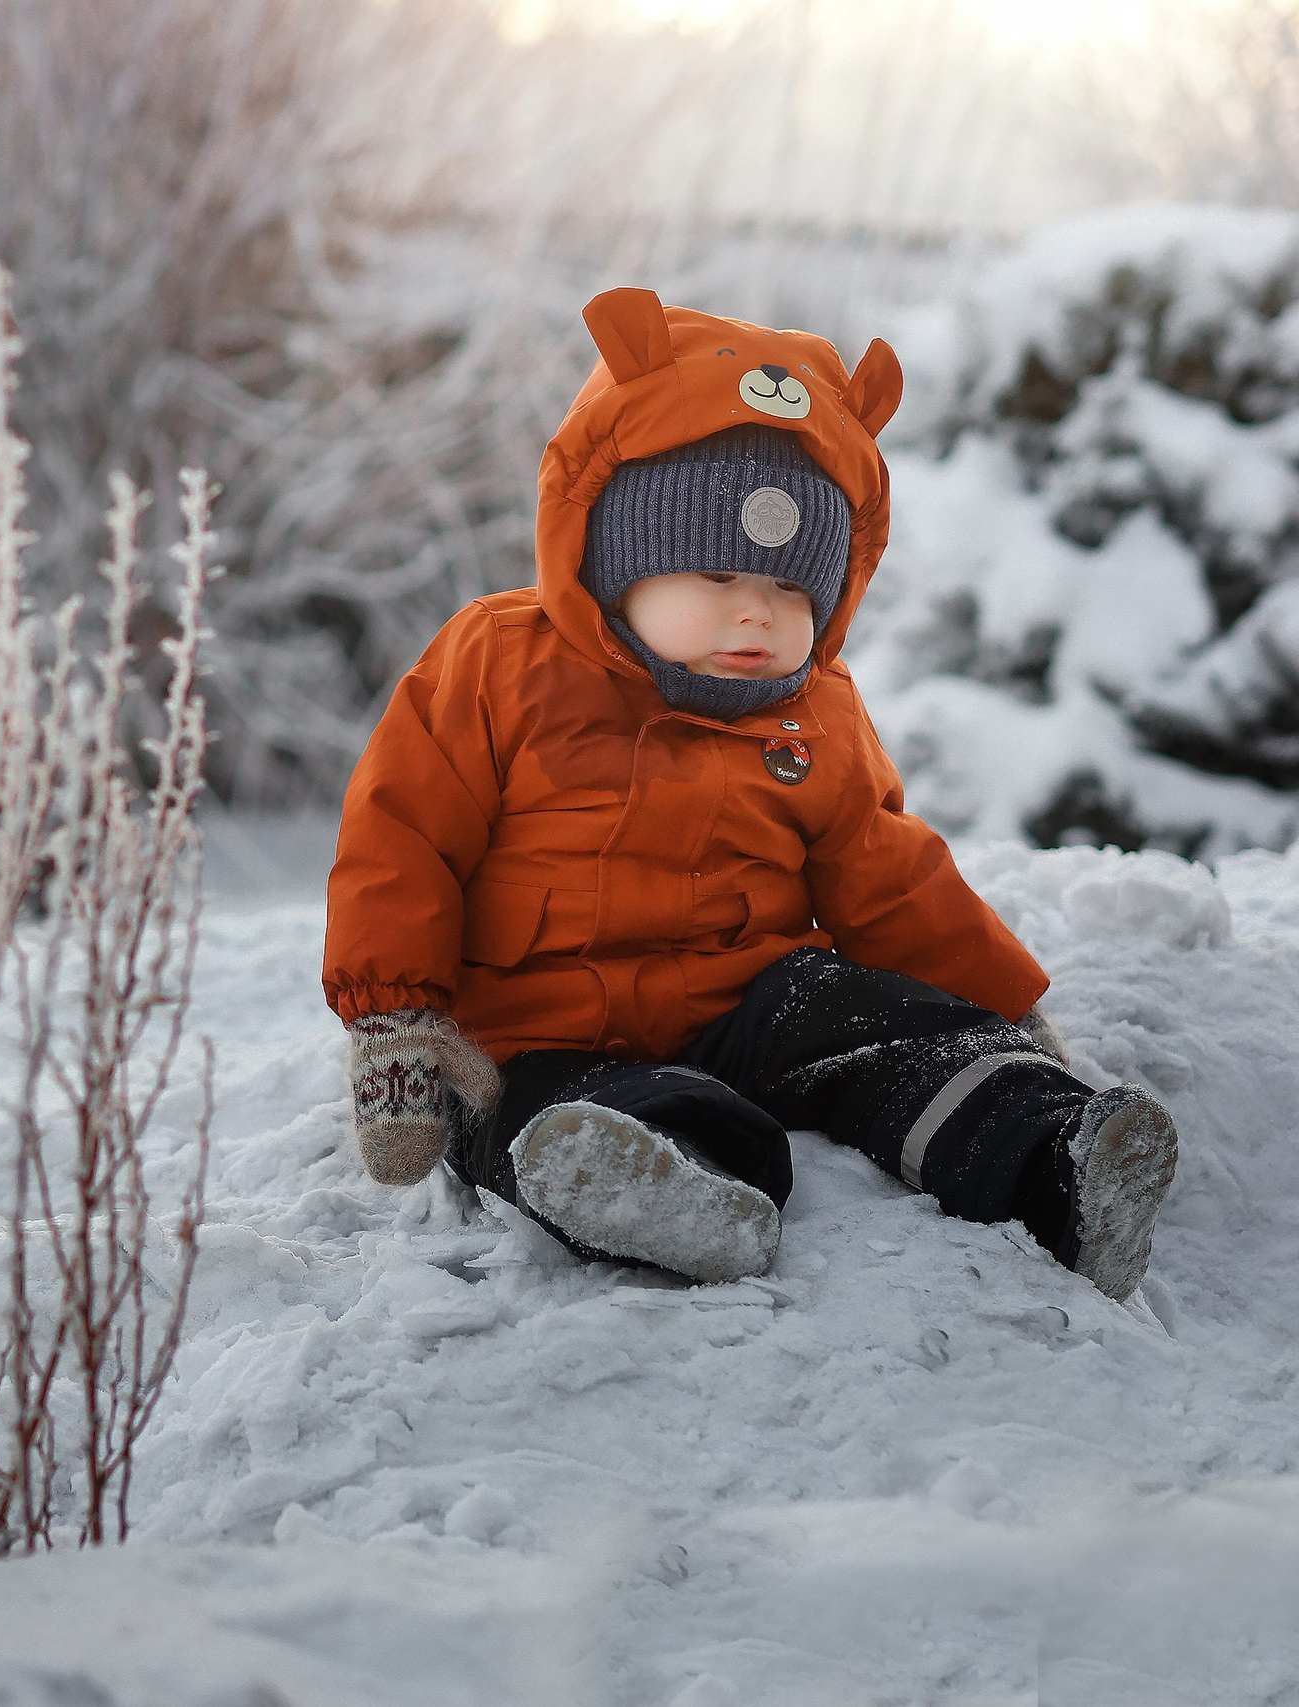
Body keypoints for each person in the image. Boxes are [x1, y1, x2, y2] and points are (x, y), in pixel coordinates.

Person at [322, 287, 1178, 1298]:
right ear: (615, 559)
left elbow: (886, 871)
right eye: (719, 577)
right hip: (534, 1020)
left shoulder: (813, 710)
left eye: (789, 590)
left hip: (746, 1005)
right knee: (539, 1106)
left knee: (870, 1024)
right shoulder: (498, 662)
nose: (757, 615)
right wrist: (396, 1020)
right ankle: (663, 1190)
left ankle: (1052, 1158)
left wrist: (996, 1010)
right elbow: (401, 836)